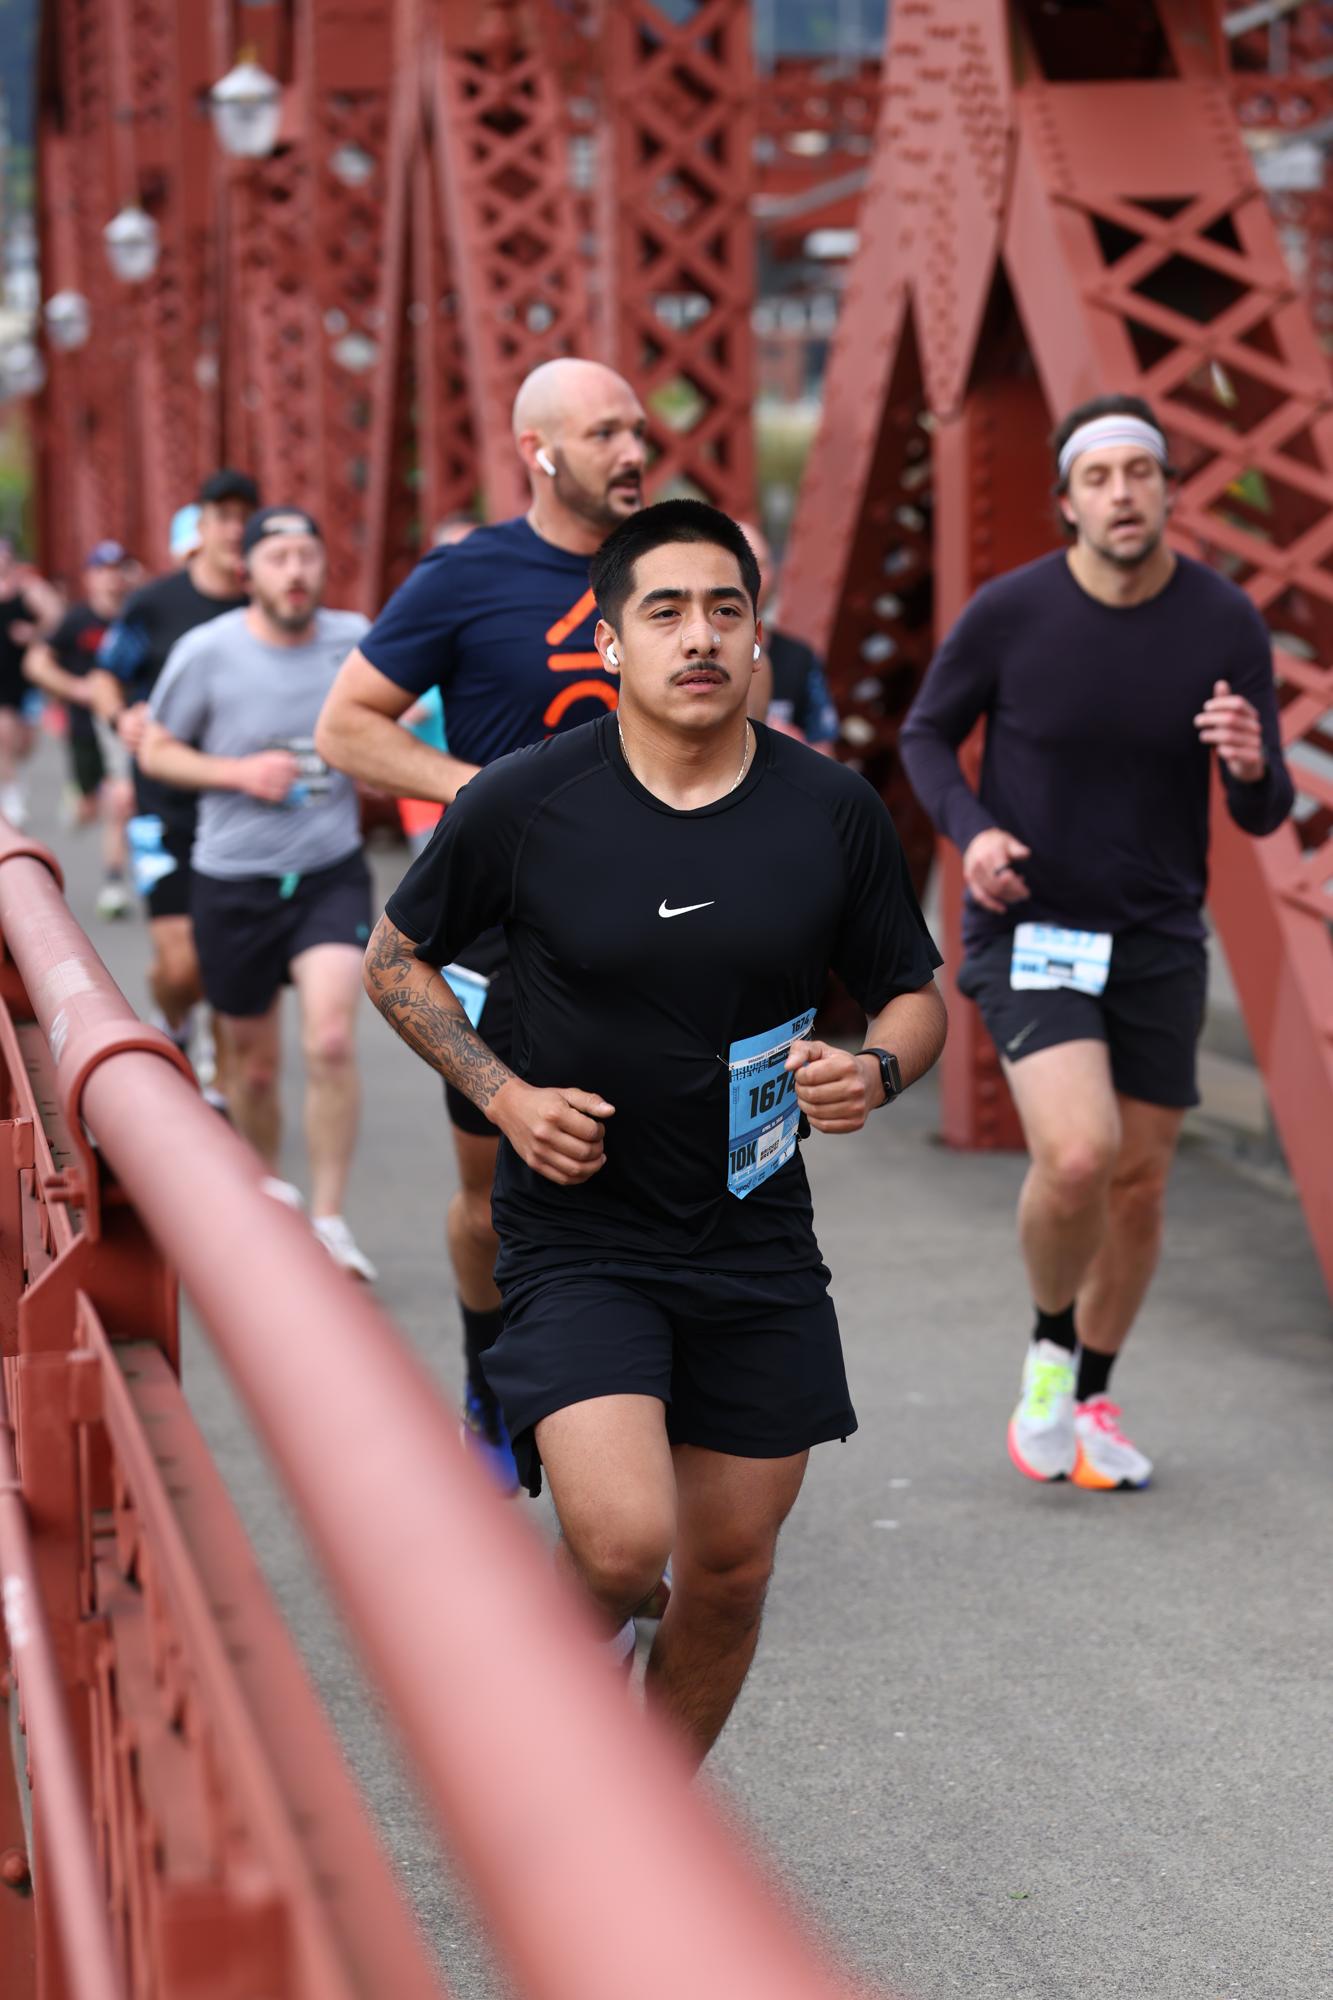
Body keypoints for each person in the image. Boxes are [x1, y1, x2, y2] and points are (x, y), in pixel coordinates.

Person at [364, 498, 946, 1761]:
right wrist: (505, 1097)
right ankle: (554, 1717)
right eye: (666, 610)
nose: (699, 635)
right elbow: (394, 959)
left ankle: (645, 1824)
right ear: (610, 641)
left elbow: (913, 990)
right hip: (581, 1229)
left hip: (753, 1231)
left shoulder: (830, 808)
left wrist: (877, 1068)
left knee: (729, 1568)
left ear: (757, 637)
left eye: (725, 609)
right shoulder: (525, 799)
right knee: (624, 1544)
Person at [900, 393, 1293, 1491]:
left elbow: (1263, 811)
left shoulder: (1223, 621)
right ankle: (1048, 1349)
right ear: (1066, 502)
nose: (1122, 493)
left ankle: (1093, 1394)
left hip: (1158, 932)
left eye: (1140, 472)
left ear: (1167, 490)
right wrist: (972, 832)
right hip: (1032, 925)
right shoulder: (1011, 612)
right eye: (1099, 477)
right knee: (1078, 1156)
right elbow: (924, 733)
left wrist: (1251, 763)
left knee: (1138, 1183)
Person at [316, 356, 648, 1484]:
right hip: (506, 937)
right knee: (494, 1196)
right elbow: (346, 726)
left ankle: (633, 1427)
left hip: (665, 922)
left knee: (661, 1176)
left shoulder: (669, 568)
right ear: (537, 452)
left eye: (637, 429)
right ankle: (488, 1377)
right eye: (604, 433)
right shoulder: (468, 576)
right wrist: (482, 793)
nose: (632, 451)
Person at [138, 506, 377, 1279]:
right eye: (278, 558)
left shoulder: (353, 639)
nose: (295, 572)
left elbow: (392, 718)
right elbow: (157, 751)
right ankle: (271, 1198)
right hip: (234, 878)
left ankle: (329, 1219)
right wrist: (237, 773)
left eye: (307, 555)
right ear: (248, 573)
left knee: (331, 1038)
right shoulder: (208, 652)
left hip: (329, 870)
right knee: (256, 1067)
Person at [94, 469, 260, 1067]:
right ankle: (173, 1017)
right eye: (223, 518)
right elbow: (106, 675)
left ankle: (216, 1075)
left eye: (245, 518)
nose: (234, 530)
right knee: (182, 966)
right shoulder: (155, 603)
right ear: (202, 527)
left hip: (244, 804)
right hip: (164, 804)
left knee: (227, 958)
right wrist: (121, 718)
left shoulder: (268, 604)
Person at [22, 540, 136, 916]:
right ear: (90, 577)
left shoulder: (138, 615)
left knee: (118, 802)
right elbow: (36, 664)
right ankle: (79, 800)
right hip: (84, 728)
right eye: (104, 570)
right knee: (89, 808)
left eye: (119, 570)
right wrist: (76, 689)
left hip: (122, 725)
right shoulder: (77, 621)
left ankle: (114, 886)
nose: (112, 579)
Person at [738, 518, 840, 754]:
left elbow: (827, 751)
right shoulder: (697, 655)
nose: (752, 579)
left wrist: (795, 747)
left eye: (760, 565)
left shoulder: (799, 658)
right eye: (741, 566)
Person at [0, 537, 63, 826]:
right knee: (4, 734)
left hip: (24, 676)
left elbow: (58, 619)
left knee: (24, 743)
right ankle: (10, 793)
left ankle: (13, 775)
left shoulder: (28, 589)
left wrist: (33, 632)